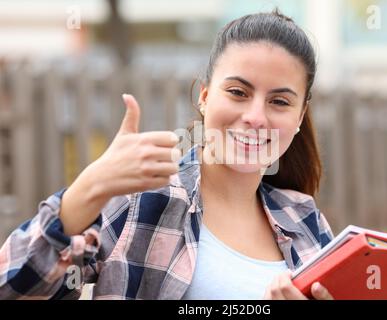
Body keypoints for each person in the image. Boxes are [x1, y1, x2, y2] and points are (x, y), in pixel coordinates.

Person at [0, 10, 334, 300]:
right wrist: (91, 186)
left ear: (300, 116)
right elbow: (12, 289)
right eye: (237, 92)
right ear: (204, 96)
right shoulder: (142, 200)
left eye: (279, 101)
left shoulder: (306, 221)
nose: (256, 116)